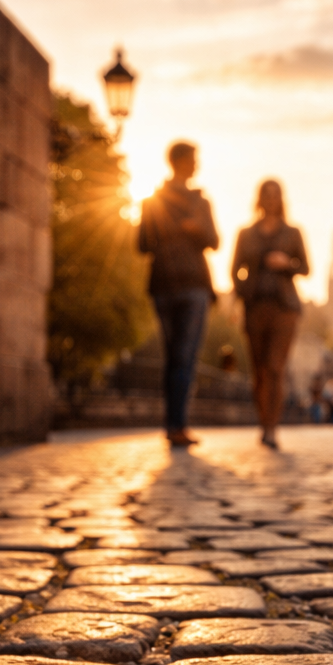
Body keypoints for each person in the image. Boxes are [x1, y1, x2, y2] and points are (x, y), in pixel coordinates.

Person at [138, 141, 219, 447]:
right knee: (177, 356)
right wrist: (173, 229)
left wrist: (196, 228)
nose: (197, 165)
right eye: (194, 160)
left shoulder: (201, 202)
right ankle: (175, 424)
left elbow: (214, 240)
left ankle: (175, 424)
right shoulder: (153, 201)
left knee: (182, 356)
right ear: (181, 162)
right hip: (170, 284)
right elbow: (143, 243)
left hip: (192, 285)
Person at [231, 179, 309, 449]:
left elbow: (305, 268)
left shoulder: (293, 233)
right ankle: (264, 421)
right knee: (260, 371)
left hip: (284, 308)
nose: (271, 199)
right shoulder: (246, 234)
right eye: (267, 194)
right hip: (255, 306)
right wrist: (243, 291)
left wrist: (287, 264)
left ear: (281, 199)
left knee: (275, 367)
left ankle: (271, 428)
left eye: (276, 195)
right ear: (260, 199)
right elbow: (234, 270)